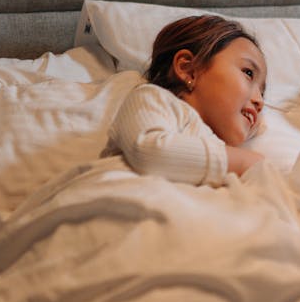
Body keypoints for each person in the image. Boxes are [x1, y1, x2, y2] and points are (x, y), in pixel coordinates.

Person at [103, 14, 267, 186]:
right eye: (248, 73)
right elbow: (149, 152)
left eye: (263, 93)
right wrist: (243, 162)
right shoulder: (153, 99)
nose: (260, 101)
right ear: (188, 69)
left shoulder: (216, 144)